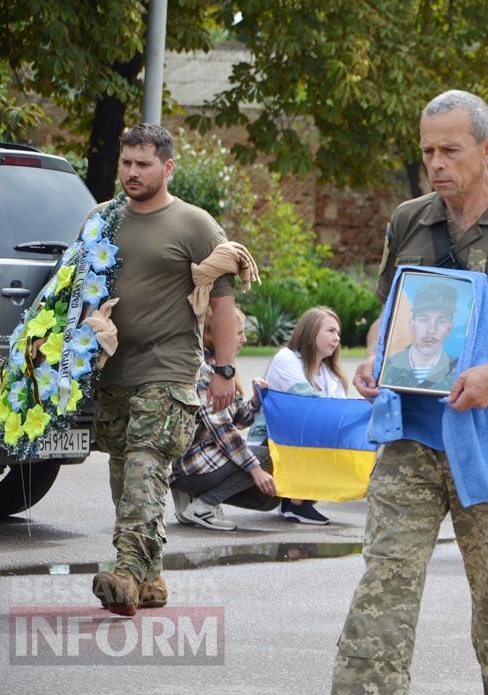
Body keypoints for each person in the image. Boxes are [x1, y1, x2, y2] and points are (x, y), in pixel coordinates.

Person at [331, 89, 488, 693]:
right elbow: (388, 315)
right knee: (382, 590)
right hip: (411, 441)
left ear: (487, 148)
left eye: (450, 149)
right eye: (428, 152)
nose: (437, 163)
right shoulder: (408, 219)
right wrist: (372, 358)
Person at [90, 124, 240, 616]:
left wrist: (224, 368)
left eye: (143, 164)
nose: (132, 172)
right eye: (127, 163)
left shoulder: (194, 224)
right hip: (113, 369)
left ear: (167, 167)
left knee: (145, 463)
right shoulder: (102, 219)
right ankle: (152, 579)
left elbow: (222, 299)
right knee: (124, 473)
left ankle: (127, 573)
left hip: (170, 369)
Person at [170, 307, 278, 531]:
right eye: (238, 333)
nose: (244, 339)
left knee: (268, 496)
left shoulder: (223, 369)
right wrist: (256, 469)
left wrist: (256, 401)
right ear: (217, 333)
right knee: (268, 458)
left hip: (206, 460)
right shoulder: (203, 372)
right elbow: (223, 430)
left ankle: (198, 501)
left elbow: (238, 419)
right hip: (192, 464)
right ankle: (203, 505)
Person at [250, 306, 349, 525]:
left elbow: (339, 415)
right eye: (331, 331)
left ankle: (299, 499)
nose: (337, 338)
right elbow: (306, 403)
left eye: (338, 333)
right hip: (273, 441)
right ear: (312, 331)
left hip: (303, 440)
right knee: (317, 423)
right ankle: (295, 502)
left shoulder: (331, 375)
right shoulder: (286, 359)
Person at [380, 281, 459, 391]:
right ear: (412, 324)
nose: (431, 330)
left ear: (449, 328)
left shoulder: (459, 371)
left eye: (441, 321)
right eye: (424, 320)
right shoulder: (387, 367)